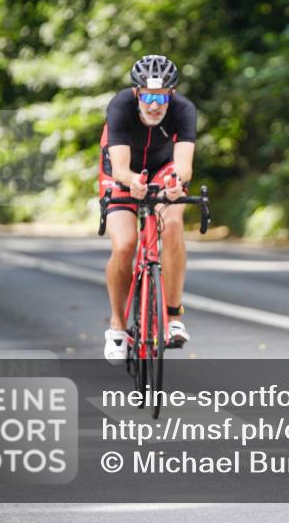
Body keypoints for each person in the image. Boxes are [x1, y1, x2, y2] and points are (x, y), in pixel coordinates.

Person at [98, 54, 197, 364]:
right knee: (125, 243)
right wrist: (131, 182)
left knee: (175, 222)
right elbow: (120, 168)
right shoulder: (120, 106)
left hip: (162, 169)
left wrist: (175, 185)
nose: (155, 105)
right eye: (148, 96)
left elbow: (183, 167)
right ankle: (117, 325)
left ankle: (172, 315)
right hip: (122, 171)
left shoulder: (183, 110)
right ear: (137, 93)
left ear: (172, 94)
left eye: (162, 96)